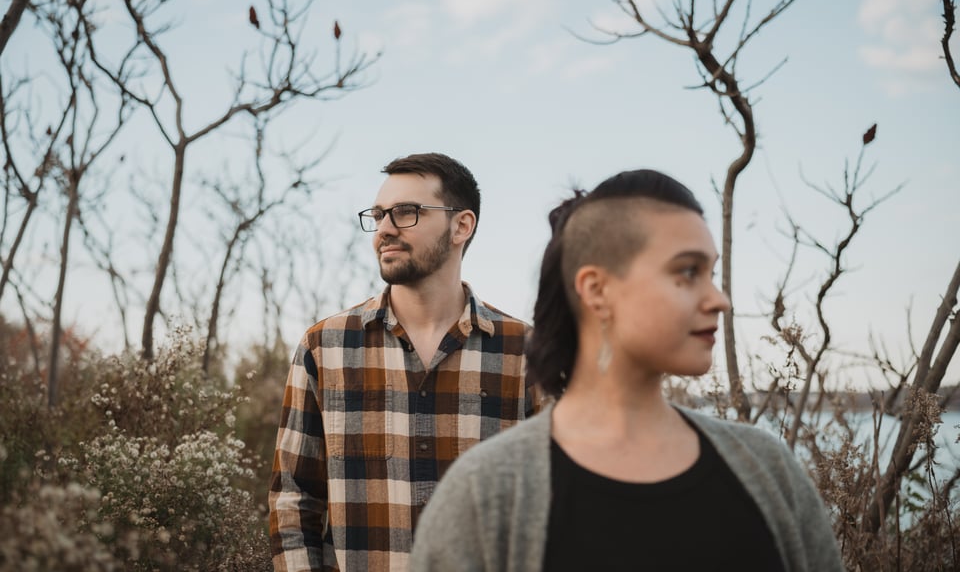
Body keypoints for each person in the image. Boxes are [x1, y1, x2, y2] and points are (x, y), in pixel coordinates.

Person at [409, 169, 844, 572]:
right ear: (596, 290)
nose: (719, 299)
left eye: (711, 273)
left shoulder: (766, 468)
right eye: (688, 271)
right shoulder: (486, 493)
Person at [269, 152, 538, 572]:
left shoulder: (527, 354)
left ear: (461, 225)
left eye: (406, 212)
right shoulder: (325, 347)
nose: (384, 230)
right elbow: (294, 499)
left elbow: (559, 502)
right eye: (378, 216)